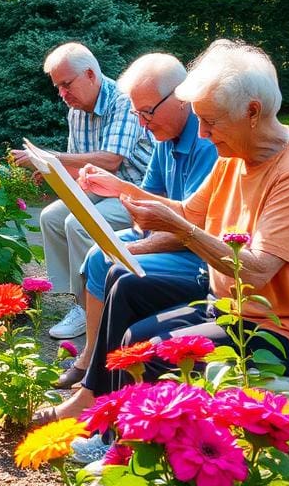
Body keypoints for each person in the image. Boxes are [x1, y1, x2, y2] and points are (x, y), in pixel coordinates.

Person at [41, 40, 289, 427]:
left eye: (211, 121)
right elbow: (189, 212)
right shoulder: (235, 156)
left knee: (152, 352)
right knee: (132, 320)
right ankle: (105, 414)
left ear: (252, 112)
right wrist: (121, 190)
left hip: (282, 330)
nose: (201, 133)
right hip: (228, 307)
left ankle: (126, 446)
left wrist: (182, 231)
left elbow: (253, 271)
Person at [53, 53, 217, 388]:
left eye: (147, 112)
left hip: (200, 252)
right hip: (175, 236)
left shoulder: (206, 142)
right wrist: (118, 191)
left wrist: (138, 243)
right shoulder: (163, 137)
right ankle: (91, 358)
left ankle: (100, 371)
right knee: (97, 255)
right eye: (137, 113)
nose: (142, 123)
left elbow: (199, 227)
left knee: (115, 264)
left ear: (181, 97)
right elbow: (145, 205)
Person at [10, 42, 151, 340]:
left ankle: (89, 309)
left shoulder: (123, 101)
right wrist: (51, 171)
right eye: (58, 87)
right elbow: (78, 168)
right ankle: (73, 299)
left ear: (89, 74)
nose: (62, 94)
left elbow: (111, 160)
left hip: (135, 191)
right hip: (99, 186)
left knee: (78, 224)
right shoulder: (76, 110)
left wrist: (52, 157)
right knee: (50, 216)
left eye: (66, 84)